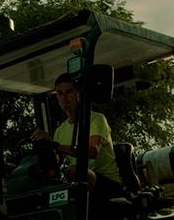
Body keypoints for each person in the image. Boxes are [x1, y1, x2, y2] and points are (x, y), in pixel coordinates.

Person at [31, 73, 124, 202]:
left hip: (107, 183)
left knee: (74, 170)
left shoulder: (96, 119)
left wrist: (55, 145)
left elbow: (92, 151)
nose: (64, 97)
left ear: (79, 94)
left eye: (69, 92)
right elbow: (55, 166)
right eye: (60, 93)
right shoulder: (60, 131)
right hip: (79, 182)